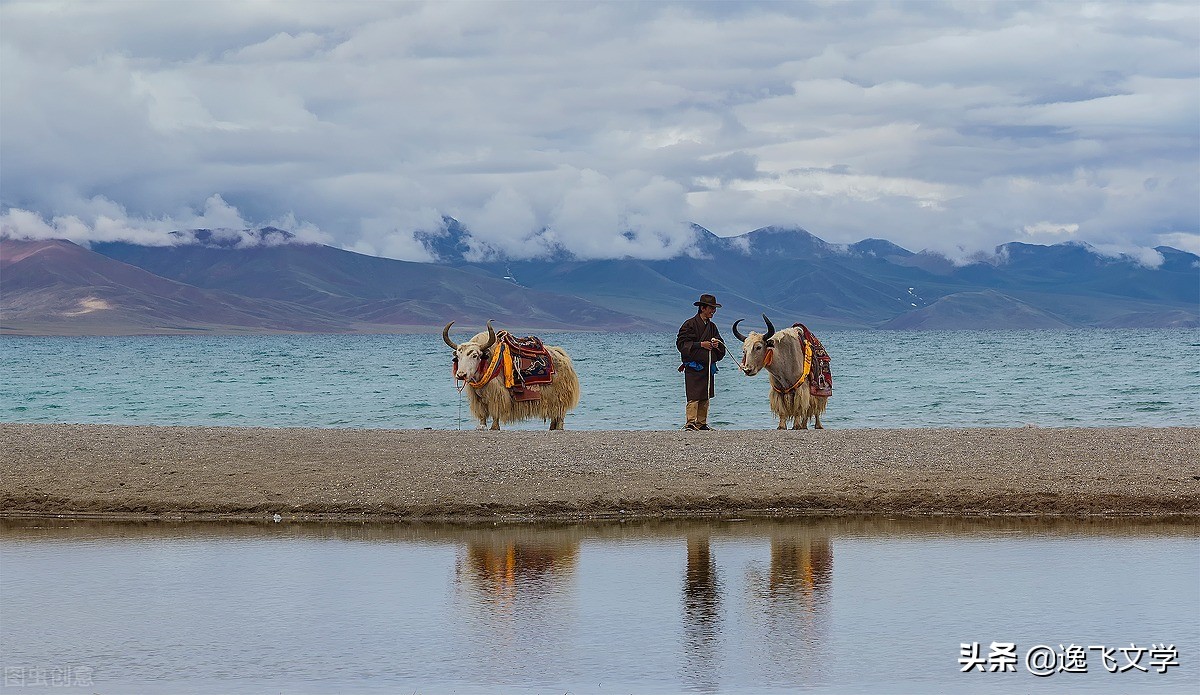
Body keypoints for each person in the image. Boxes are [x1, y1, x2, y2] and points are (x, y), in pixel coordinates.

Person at [676, 293, 727, 431]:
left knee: (705, 395)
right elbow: (682, 344)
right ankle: (690, 423)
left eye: (714, 308)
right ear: (702, 308)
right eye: (711, 308)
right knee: (693, 396)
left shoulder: (712, 327)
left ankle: (701, 423)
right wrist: (701, 345)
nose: (713, 311)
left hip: (707, 366)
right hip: (693, 367)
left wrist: (717, 345)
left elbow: (721, 344)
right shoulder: (689, 324)